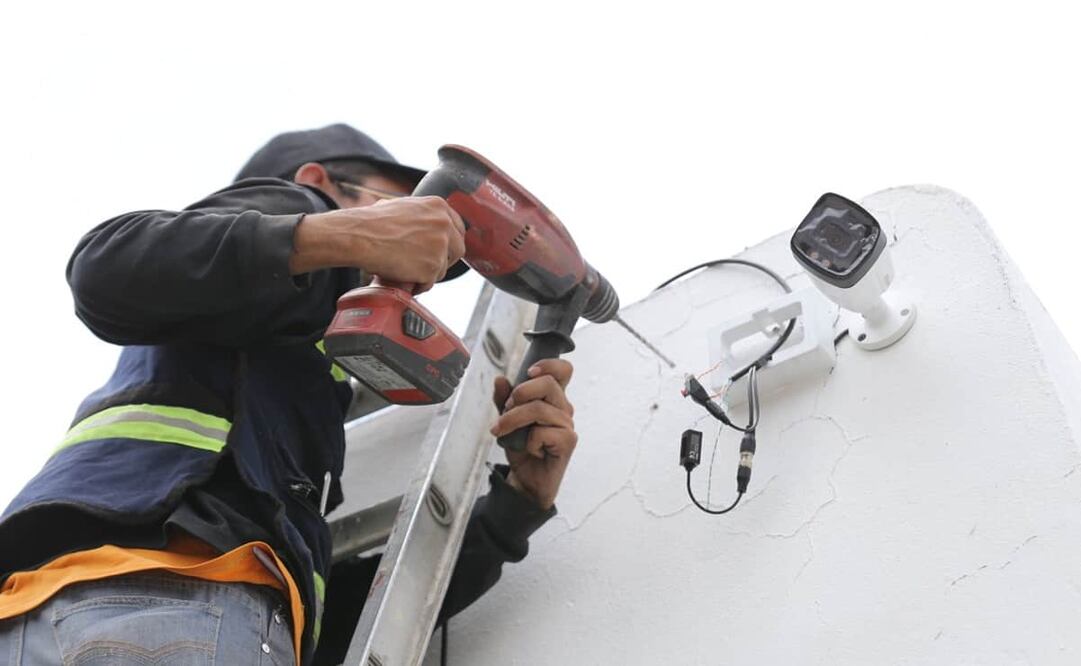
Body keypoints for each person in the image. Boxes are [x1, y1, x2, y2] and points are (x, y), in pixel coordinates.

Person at [0, 124, 580, 665]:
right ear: (317, 181)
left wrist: (515, 508)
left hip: (55, 608)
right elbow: (105, 266)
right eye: (398, 210)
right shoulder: (292, 219)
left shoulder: (293, 384)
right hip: (165, 594)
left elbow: (320, 631)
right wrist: (338, 231)